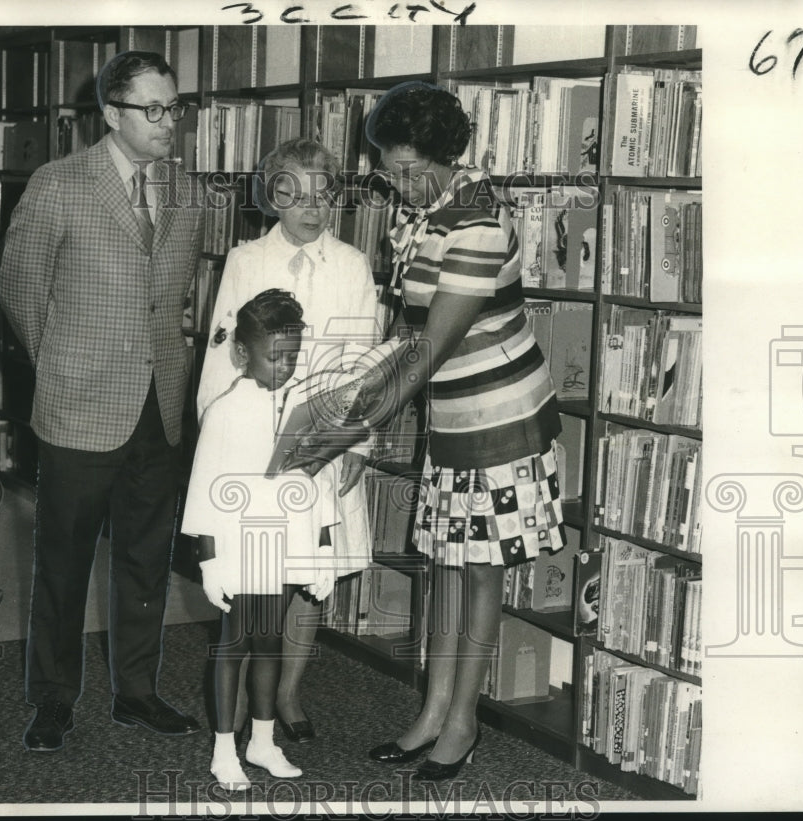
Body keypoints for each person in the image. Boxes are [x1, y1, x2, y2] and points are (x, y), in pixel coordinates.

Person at [291, 81, 567, 781]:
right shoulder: (427, 213)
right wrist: (349, 399)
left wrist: (364, 424)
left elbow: (431, 347)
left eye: (411, 170)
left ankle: (463, 721)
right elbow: (404, 331)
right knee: (446, 563)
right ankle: (432, 709)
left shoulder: (474, 220)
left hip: (500, 422)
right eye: (390, 170)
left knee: (478, 574)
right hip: (452, 416)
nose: (400, 183)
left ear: (445, 159)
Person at [0, 50, 204, 752]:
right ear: (111, 113)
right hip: (79, 401)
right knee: (64, 558)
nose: (168, 121)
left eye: (174, 107)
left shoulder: (189, 190)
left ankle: (137, 692)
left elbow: (172, 298)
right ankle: (53, 697)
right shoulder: (59, 184)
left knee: (147, 557)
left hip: (161, 402)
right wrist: (57, 363)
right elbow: (19, 290)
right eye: (152, 109)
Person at [195, 138, 379, 742]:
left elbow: (362, 363)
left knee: (306, 566)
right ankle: (246, 696)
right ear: (271, 197)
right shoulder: (246, 260)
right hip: (252, 440)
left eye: (323, 194)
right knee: (254, 573)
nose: (310, 207)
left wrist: (355, 443)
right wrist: (215, 435)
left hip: (323, 440)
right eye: (293, 194)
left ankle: (285, 694)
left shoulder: (352, 265)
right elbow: (223, 354)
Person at [182, 289, 339, 791]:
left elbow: (317, 483)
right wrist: (209, 563)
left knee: (270, 644)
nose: (286, 367)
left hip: (281, 549)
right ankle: (224, 747)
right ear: (243, 354)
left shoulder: (301, 409)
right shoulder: (226, 411)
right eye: (276, 358)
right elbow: (204, 489)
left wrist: (322, 550)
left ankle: (263, 741)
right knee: (234, 645)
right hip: (236, 548)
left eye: (293, 357)